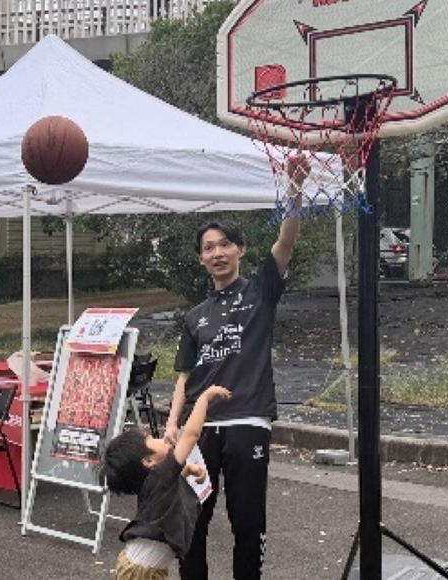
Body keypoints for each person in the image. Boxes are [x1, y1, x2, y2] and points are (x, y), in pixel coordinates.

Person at [164, 155, 310, 580]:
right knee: (193, 519)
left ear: (240, 250)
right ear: (201, 260)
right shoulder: (194, 317)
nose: (217, 253)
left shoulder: (261, 292)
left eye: (224, 244)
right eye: (208, 248)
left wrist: (294, 191)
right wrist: (173, 424)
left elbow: (285, 242)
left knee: (247, 523)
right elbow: (184, 376)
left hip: (248, 420)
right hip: (199, 429)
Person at [103, 385, 232, 579]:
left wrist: (187, 469)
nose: (159, 438)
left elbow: (170, 487)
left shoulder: (157, 481)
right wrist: (204, 398)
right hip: (141, 571)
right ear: (148, 461)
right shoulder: (160, 476)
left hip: (144, 567)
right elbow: (191, 434)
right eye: (151, 439)